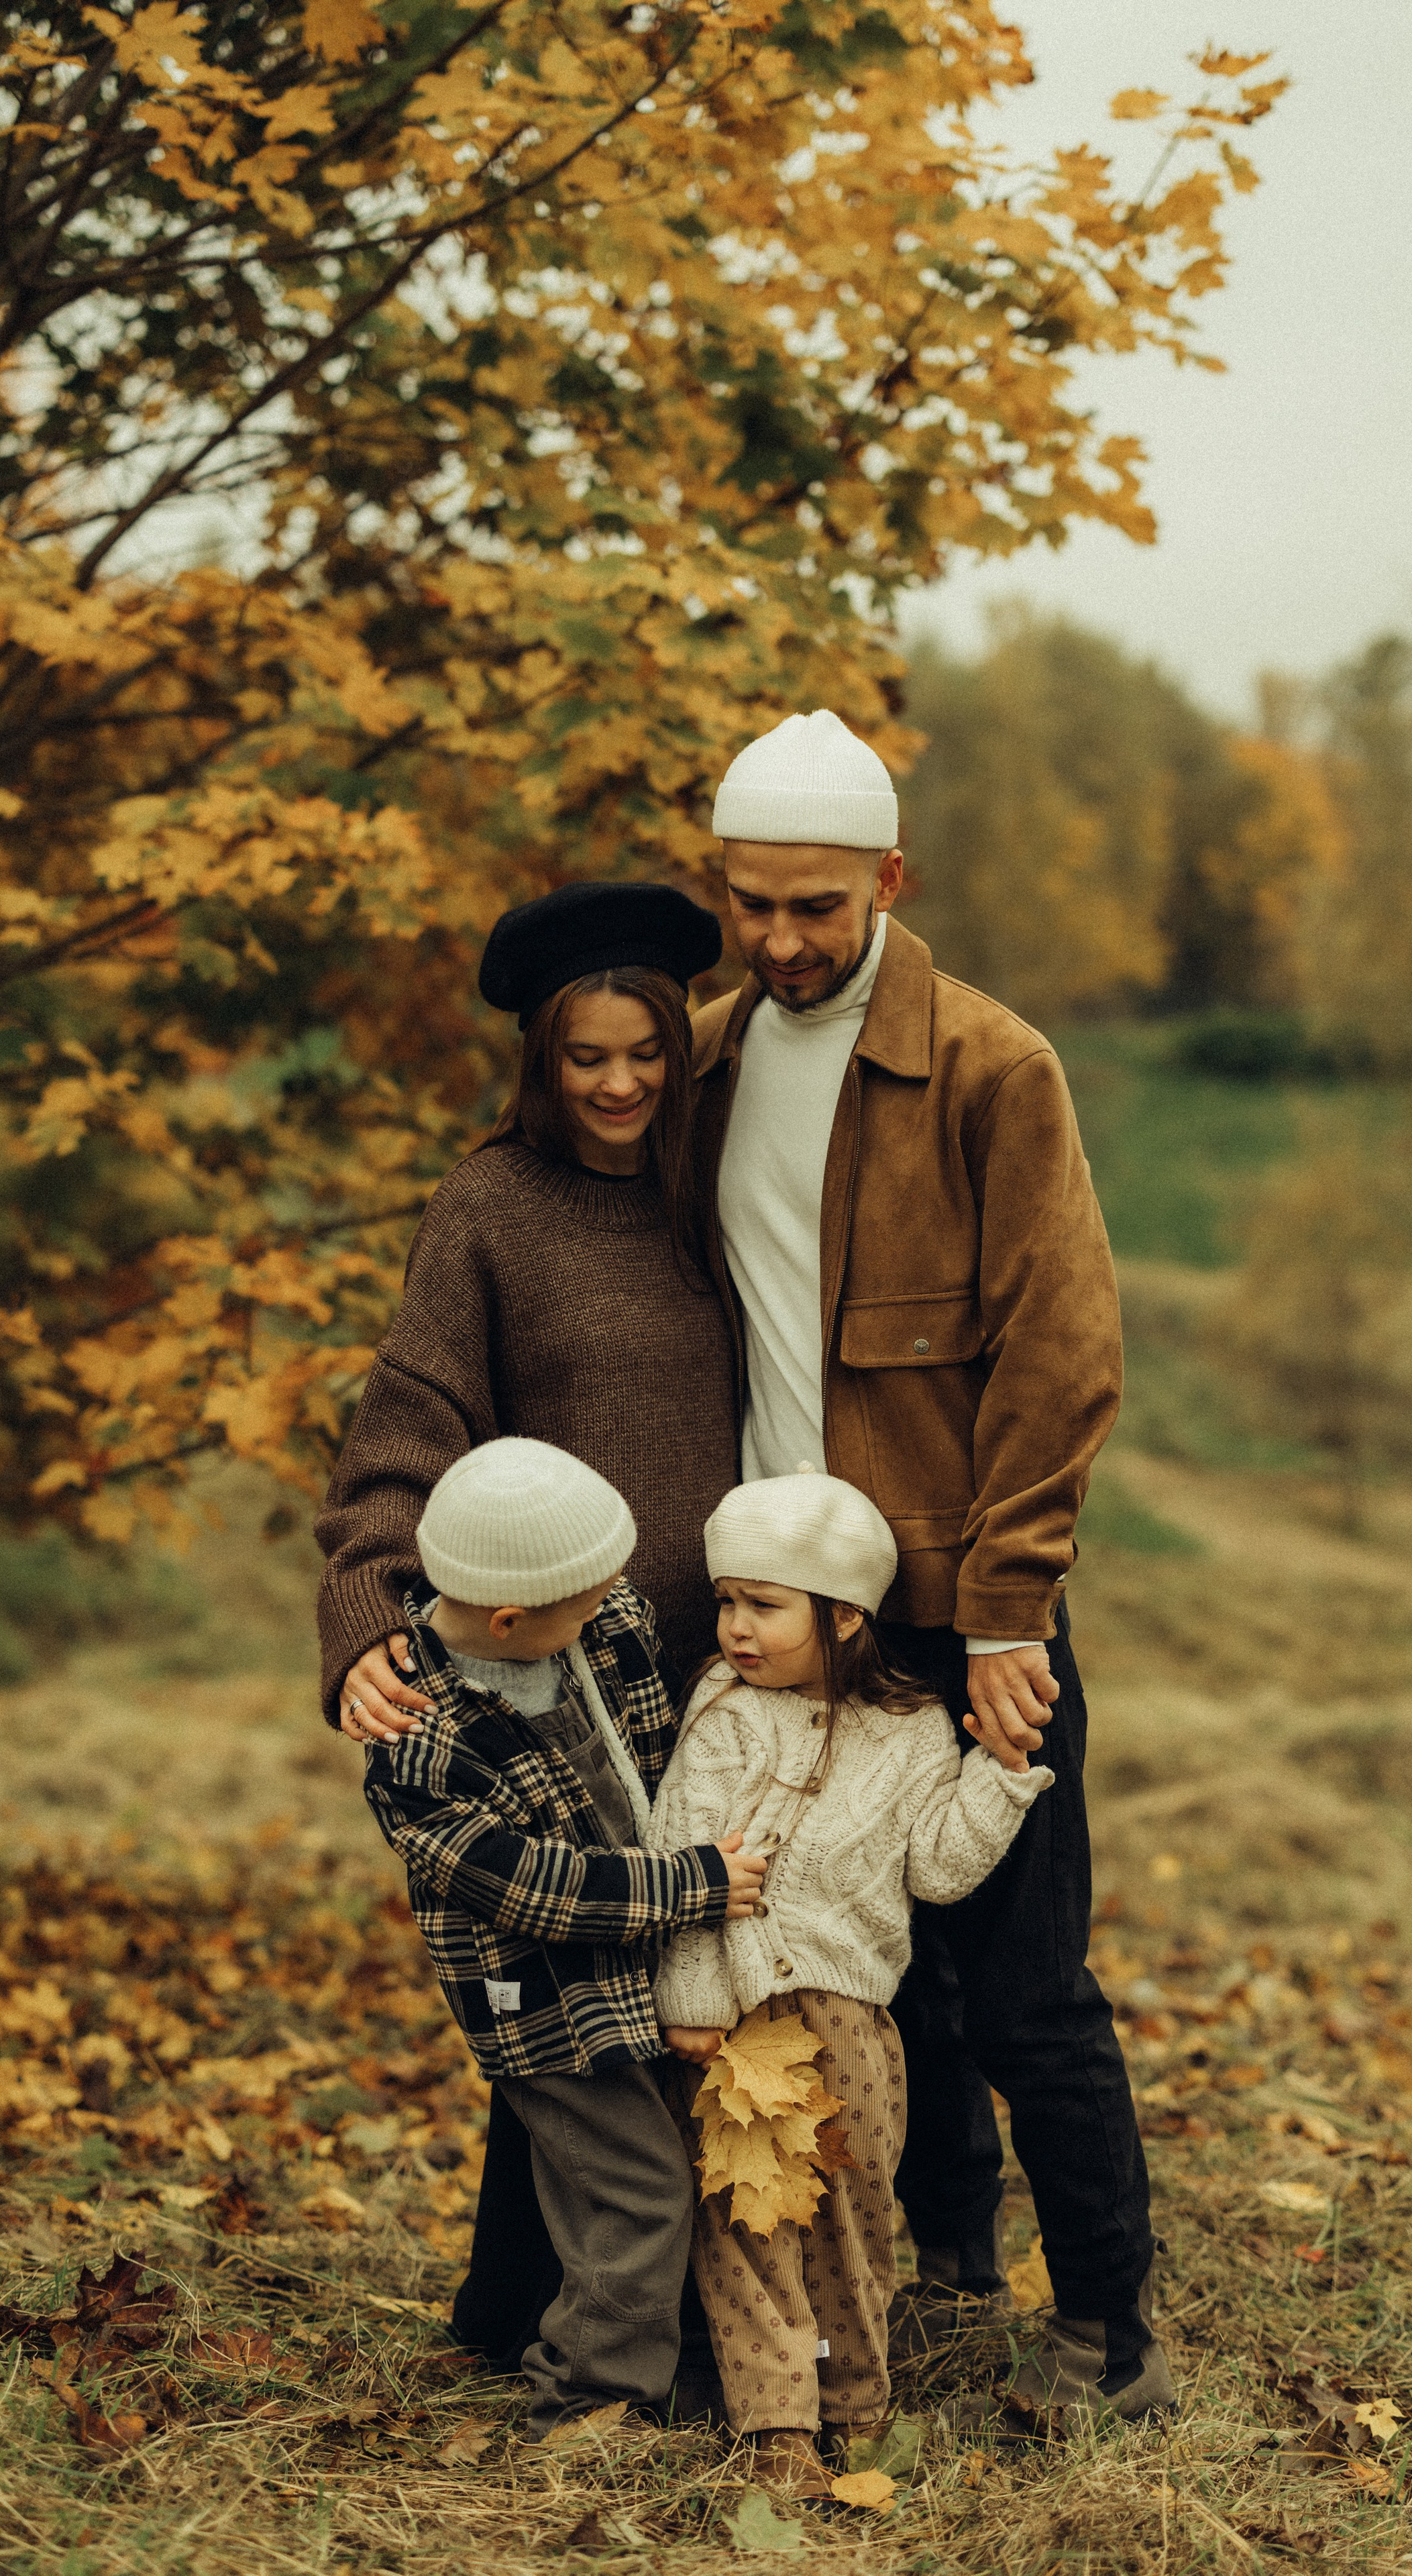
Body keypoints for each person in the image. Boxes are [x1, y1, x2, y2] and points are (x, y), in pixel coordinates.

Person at [691, 709, 1175, 2431]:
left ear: (889, 884)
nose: (782, 940)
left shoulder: (988, 1067)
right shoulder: (704, 1060)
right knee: (854, 1974)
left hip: (956, 1619)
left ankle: (1109, 2334)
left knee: (1023, 1985)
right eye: (751, 904)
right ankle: (946, 2274)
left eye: (817, 906)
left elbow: (1063, 1352)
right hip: (774, 1627)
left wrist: (1002, 1615)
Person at [317, 879, 739, 2371]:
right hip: (553, 1671)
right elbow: (405, 1424)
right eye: (587, 1057)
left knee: (707, 1994)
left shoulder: (721, 1187)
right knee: (566, 2000)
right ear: (540, 1063)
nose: (620, 1084)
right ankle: (528, 2318)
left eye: (645, 1053)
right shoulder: (489, 1207)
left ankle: (715, 2318)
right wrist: (367, 1606)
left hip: (730, 1662)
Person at [358, 1435, 769, 2436]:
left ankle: (689, 2369)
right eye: (587, 1602)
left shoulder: (598, 1620)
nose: (614, 1603)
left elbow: (667, 1745)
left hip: (650, 1961)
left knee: (671, 2166)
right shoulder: (419, 1744)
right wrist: (694, 1884)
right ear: (509, 1618)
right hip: (543, 2002)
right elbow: (538, 1892)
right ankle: (590, 2398)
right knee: (634, 2190)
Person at [651, 1471, 1051, 2496]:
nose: (736, 1628)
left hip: (855, 2024)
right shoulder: (723, 1713)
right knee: (748, 2223)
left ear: (843, 1614)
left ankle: (857, 2405)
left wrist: (999, 1776)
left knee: (853, 2214)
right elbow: (681, 1850)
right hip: (742, 2023)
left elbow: (938, 1869)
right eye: (727, 1601)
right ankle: (777, 2423)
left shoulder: (911, 1731)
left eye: (764, 1605)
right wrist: (694, 1999)